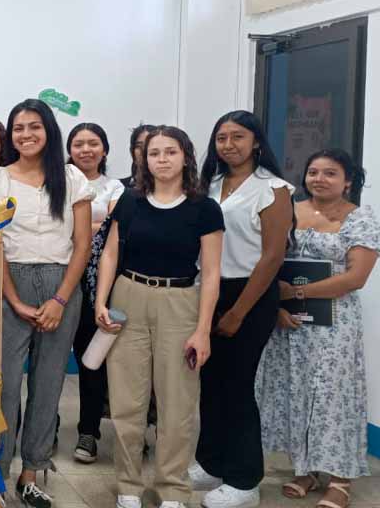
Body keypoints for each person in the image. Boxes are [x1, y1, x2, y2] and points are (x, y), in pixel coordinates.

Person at [94, 125, 223, 508]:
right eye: (154, 153)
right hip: (128, 297)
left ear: (186, 156)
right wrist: (101, 301)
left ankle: (172, 488)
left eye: (170, 152)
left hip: (180, 302)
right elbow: (111, 254)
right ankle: (128, 486)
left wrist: (203, 330)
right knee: (127, 402)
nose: (162, 159)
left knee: (177, 403)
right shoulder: (130, 201)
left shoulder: (204, 209)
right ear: (143, 159)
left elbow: (211, 273)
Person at [0, 98, 93, 508]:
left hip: (62, 283)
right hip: (9, 282)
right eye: (19, 128)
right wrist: (13, 299)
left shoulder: (72, 178)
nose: (26, 135)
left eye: (34, 126)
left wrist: (60, 298)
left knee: (48, 384)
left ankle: (31, 472)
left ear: (49, 131)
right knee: (4, 387)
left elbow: (82, 245)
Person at [256, 149, 378, 508]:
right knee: (295, 392)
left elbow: (355, 277)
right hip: (287, 322)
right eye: (313, 172)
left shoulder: (360, 218)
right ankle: (305, 469)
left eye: (330, 173)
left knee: (333, 397)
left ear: (348, 181)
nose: (319, 179)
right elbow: (267, 259)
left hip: (334, 325)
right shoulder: (290, 211)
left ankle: (340, 477)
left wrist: (296, 293)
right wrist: (277, 306)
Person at [192, 110, 294, 508]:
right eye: (222, 137)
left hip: (250, 292)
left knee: (237, 386)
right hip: (211, 288)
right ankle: (211, 461)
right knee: (210, 382)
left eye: (238, 137)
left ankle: (244, 478)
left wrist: (238, 311)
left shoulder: (273, 189)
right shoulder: (211, 184)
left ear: (256, 142)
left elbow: (272, 256)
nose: (228, 144)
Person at [65, 122, 124, 464]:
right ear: (69, 149)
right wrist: (93, 228)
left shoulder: (114, 187)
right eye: (78, 144)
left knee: (91, 360)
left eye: (93, 143)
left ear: (104, 149)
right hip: (59, 277)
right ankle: (45, 427)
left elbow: (114, 229)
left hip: (97, 284)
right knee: (49, 360)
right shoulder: (59, 182)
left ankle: (88, 431)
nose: (85, 150)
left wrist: (76, 228)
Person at [121, 124, 157, 189]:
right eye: (139, 146)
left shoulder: (171, 188)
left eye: (150, 145)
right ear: (132, 151)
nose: (144, 150)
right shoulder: (118, 188)